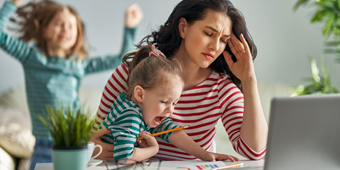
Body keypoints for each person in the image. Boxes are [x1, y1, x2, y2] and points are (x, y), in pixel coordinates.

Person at [91, 0, 268, 161]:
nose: (215, 46)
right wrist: (92, 147)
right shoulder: (131, 74)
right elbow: (94, 134)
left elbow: (255, 151)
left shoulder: (221, 89)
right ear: (183, 27)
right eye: (208, 33)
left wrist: (249, 79)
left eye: (223, 40)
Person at [0, 0, 142, 169]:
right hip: (45, 146)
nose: (66, 29)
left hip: (77, 144)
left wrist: (130, 27)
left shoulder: (78, 64)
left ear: (77, 35)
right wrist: (11, 4)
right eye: (59, 24)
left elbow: (122, 59)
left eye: (71, 26)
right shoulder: (31, 57)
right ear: (44, 31)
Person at [99, 44, 237, 164]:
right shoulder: (131, 116)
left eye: (174, 103)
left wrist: (205, 154)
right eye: (164, 102)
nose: (170, 110)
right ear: (140, 94)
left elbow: (172, 131)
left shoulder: (143, 109)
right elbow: (123, 157)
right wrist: (153, 149)